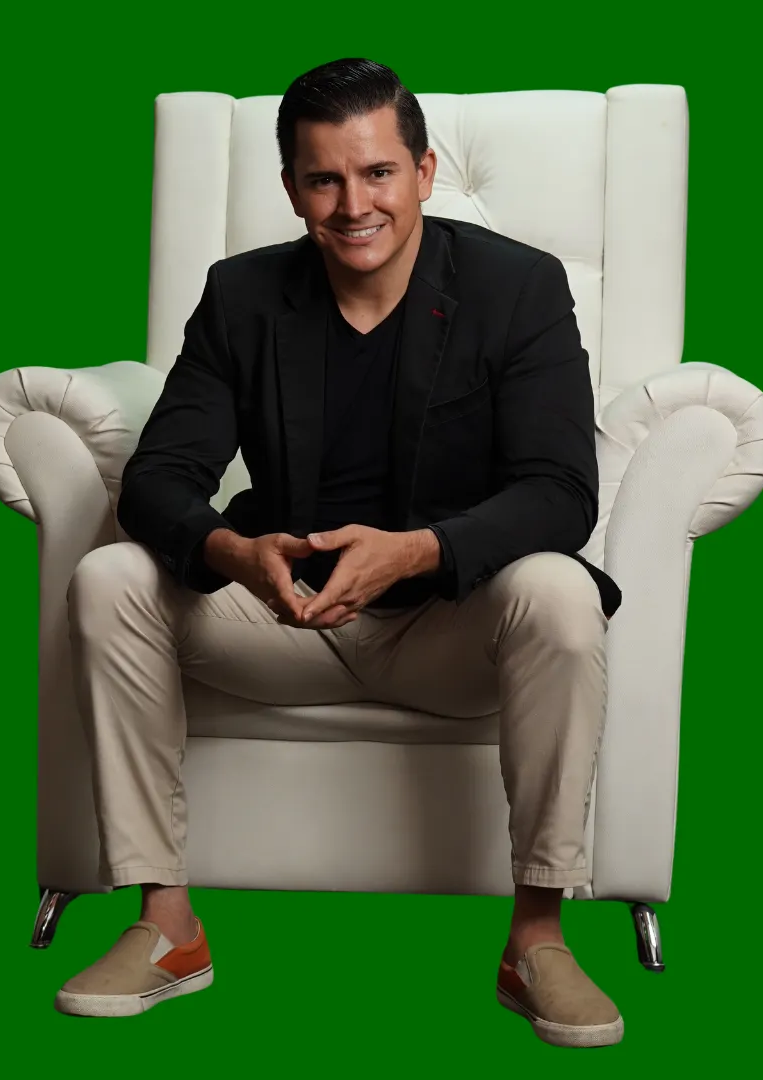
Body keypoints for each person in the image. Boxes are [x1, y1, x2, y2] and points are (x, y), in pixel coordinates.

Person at [57, 58, 625, 1048]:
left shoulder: (517, 288)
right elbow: (158, 479)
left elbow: (561, 490)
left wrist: (416, 552)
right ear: (291, 188)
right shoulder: (242, 295)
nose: (354, 205)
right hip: (283, 617)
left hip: (451, 625)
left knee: (561, 593)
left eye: (377, 173)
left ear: (424, 172)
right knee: (110, 574)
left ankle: (537, 937)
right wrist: (235, 552)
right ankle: (166, 924)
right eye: (324, 179)